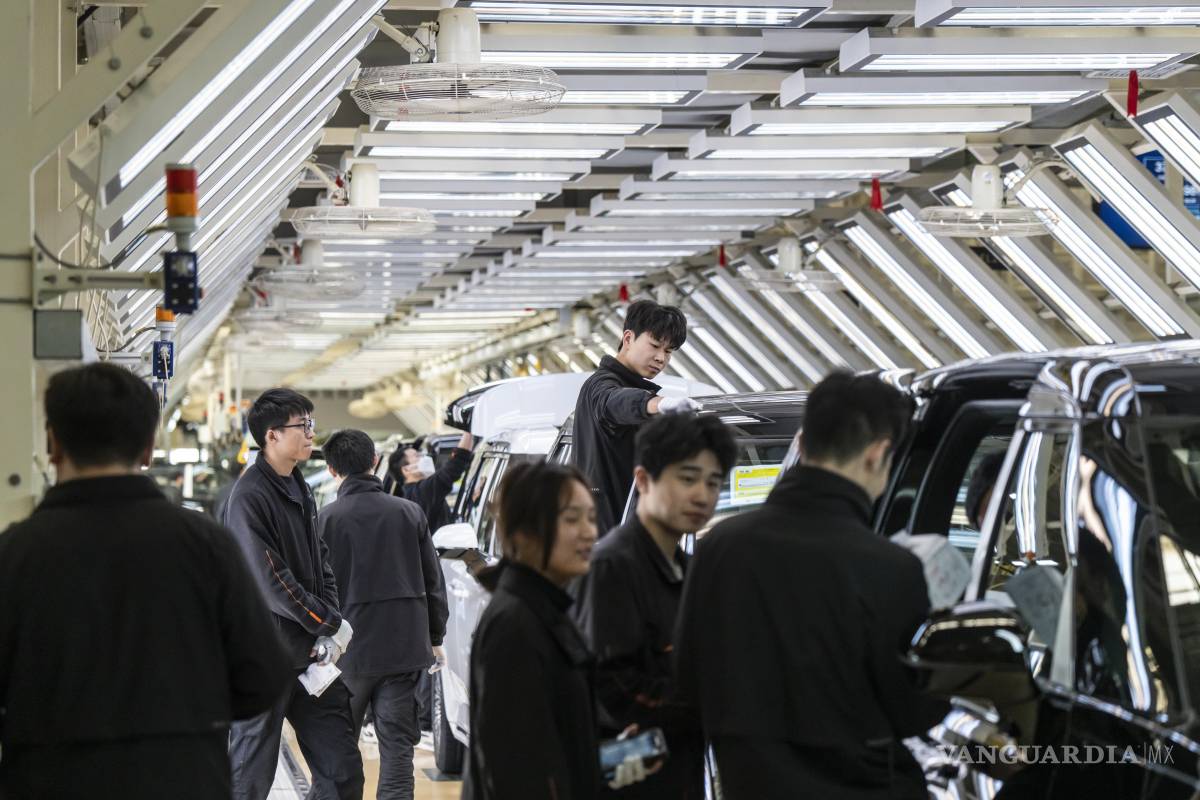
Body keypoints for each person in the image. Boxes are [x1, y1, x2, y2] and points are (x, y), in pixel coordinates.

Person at [0, 363, 290, 798]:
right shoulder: (205, 545)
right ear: (148, 449)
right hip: (182, 778)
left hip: (50, 781)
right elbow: (263, 677)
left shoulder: (14, 554)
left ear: (53, 443)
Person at [674, 371, 947, 800]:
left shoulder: (720, 549)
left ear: (800, 444)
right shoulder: (892, 567)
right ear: (878, 455)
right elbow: (913, 712)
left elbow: (688, 687)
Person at [463, 462, 651, 800]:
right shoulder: (515, 624)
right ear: (524, 533)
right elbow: (517, 769)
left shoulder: (547, 610)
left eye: (591, 518)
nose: (589, 532)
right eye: (571, 519)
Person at [573, 413, 736, 799]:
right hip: (626, 776)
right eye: (687, 478)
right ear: (643, 480)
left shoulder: (684, 568)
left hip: (675, 771)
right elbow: (612, 684)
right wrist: (711, 699)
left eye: (714, 483)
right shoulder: (613, 566)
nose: (702, 495)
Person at [225, 389, 363, 800]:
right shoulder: (250, 497)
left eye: (310, 424)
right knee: (249, 777)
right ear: (271, 436)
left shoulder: (298, 487)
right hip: (264, 659)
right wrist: (329, 622)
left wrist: (330, 624)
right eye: (301, 425)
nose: (309, 433)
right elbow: (273, 581)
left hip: (309, 656)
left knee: (341, 772)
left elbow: (320, 561)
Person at [318, 429, 449, 800]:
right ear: (374, 461)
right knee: (397, 753)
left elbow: (316, 590)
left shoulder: (326, 520)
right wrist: (435, 637)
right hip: (402, 651)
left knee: (338, 754)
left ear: (331, 470)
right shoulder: (409, 513)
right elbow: (432, 582)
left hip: (348, 657)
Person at [572, 299, 699, 534]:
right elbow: (614, 402)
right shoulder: (600, 386)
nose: (661, 358)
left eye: (668, 351)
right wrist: (656, 404)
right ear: (628, 339)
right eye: (655, 345)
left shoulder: (622, 385)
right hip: (608, 538)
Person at [392, 431, 474, 534]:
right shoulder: (421, 492)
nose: (424, 457)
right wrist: (469, 431)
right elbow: (455, 465)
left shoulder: (412, 495)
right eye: (417, 456)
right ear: (406, 470)